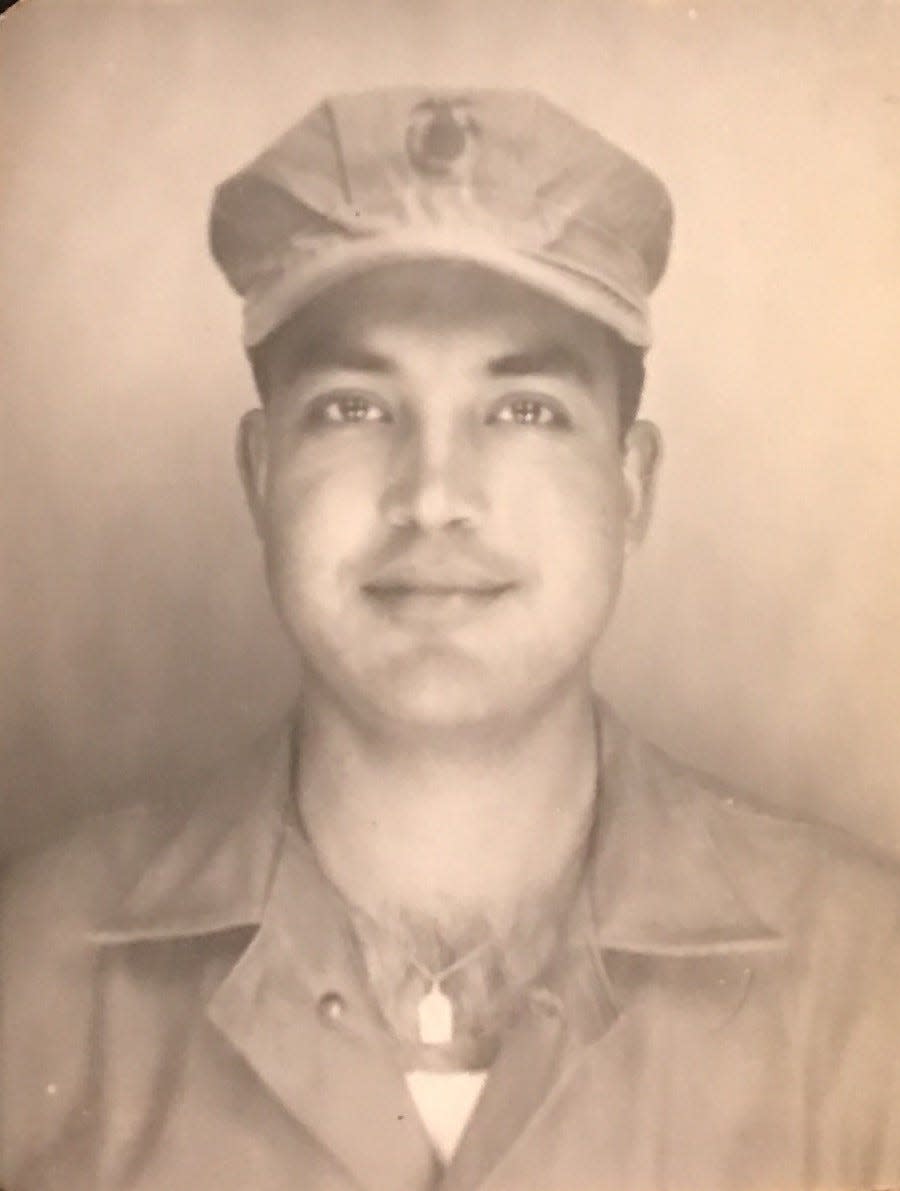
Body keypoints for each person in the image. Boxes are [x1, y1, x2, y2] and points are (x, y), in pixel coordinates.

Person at [2, 86, 899, 1191]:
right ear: (260, 475)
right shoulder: (31, 981)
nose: (433, 496)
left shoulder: (870, 993)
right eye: (354, 406)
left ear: (633, 488)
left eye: (524, 410)